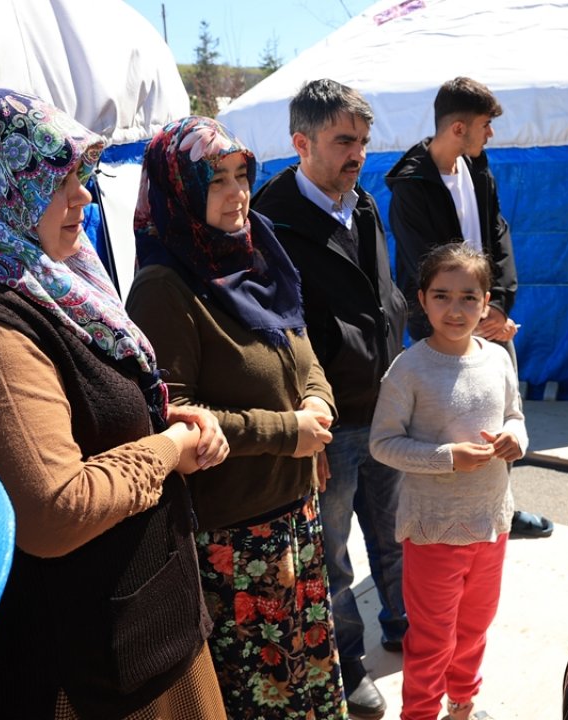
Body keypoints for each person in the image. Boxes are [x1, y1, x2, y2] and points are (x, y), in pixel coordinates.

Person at [0, 89, 229, 718]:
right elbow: (53, 511)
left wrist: (156, 420)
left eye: (81, 175)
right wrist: (168, 448)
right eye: (55, 178)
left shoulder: (44, 279)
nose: (84, 196)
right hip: (90, 675)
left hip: (140, 637)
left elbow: (83, 413)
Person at [124, 117, 346, 720]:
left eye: (240, 175)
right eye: (215, 180)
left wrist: (318, 405)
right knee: (262, 700)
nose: (237, 194)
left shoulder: (257, 256)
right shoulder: (165, 287)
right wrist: (288, 433)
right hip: (235, 545)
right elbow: (174, 419)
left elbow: (304, 355)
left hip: (295, 522)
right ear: (179, 191)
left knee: (308, 690)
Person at [250, 78, 407, 720]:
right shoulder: (270, 221)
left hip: (385, 407)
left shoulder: (361, 202)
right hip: (330, 420)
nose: (358, 154)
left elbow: (380, 292)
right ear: (301, 142)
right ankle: (349, 662)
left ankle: (403, 625)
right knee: (332, 554)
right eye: (344, 141)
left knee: (395, 535)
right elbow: (274, 330)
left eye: (363, 141)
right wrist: (303, 426)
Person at [384, 76, 554, 541]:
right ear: (458, 128)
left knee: (501, 418)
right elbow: (430, 267)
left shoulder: (477, 168)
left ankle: (500, 509)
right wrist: (477, 315)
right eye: (484, 125)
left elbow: (498, 233)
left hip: (487, 315)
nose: (490, 134)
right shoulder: (412, 187)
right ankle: (447, 525)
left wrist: (497, 303)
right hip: (445, 327)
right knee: (452, 430)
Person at [370, 243, 527, 720]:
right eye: (442, 296)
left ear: (486, 303)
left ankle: (462, 704)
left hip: (491, 524)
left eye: (468, 297)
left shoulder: (498, 358)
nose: (455, 310)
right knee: (432, 638)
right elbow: (383, 443)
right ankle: (419, 713)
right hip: (434, 531)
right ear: (421, 299)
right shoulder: (409, 369)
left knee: (475, 627)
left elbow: (516, 416)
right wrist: (447, 458)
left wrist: (515, 439)